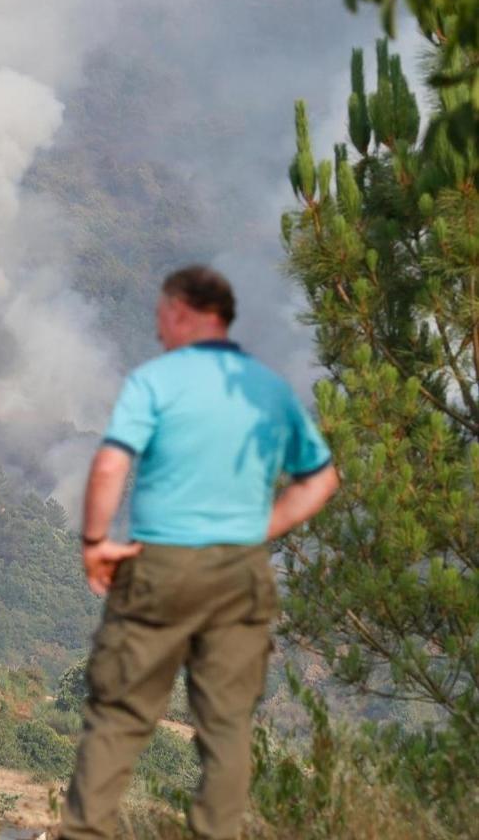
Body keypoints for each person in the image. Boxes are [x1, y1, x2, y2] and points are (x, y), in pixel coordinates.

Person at [60, 266, 340, 840]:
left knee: (119, 714)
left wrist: (94, 543)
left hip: (159, 567)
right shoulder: (267, 389)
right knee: (228, 728)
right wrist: (260, 527)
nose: (159, 328)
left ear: (184, 314)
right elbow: (320, 480)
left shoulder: (155, 383)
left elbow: (112, 463)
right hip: (239, 573)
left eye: (163, 315)